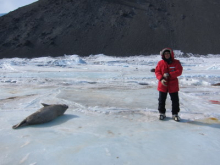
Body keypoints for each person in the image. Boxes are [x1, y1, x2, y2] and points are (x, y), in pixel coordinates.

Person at [155, 48, 183, 121]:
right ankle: (162, 113)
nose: (167, 55)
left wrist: (169, 74)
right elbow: (157, 72)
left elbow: (179, 71)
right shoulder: (160, 63)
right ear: (163, 55)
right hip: (163, 84)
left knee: (175, 100)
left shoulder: (176, 62)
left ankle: (175, 114)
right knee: (161, 100)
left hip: (173, 84)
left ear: (171, 54)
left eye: (168, 53)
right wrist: (161, 79)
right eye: (165, 54)